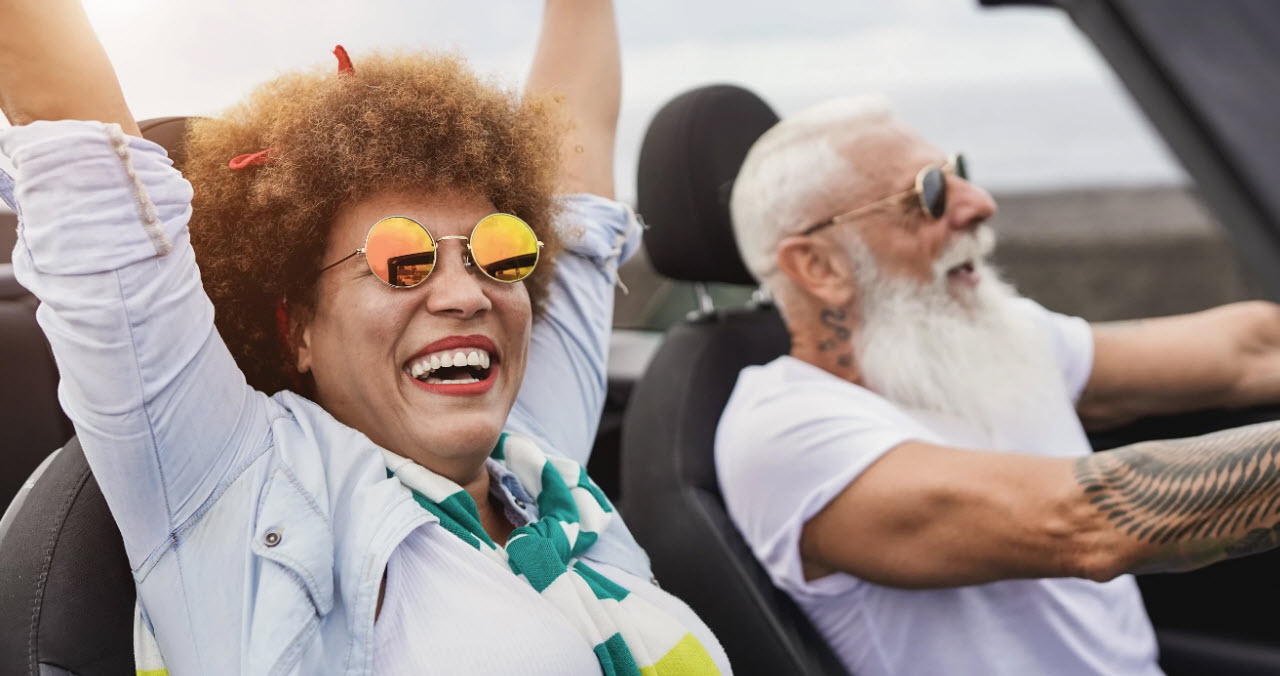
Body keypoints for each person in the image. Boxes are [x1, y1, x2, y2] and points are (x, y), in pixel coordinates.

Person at [0, 1, 730, 673]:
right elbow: (73, 128)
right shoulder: (233, 485)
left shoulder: (537, 453)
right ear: (299, 330)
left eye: (500, 250)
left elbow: (578, 146)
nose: (465, 293)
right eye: (401, 260)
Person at [715, 97, 1280, 676]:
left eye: (962, 172)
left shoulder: (983, 338)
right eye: (928, 193)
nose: (980, 204)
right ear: (818, 266)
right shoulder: (784, 431)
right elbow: (1086, 523)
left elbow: (1248, 351)